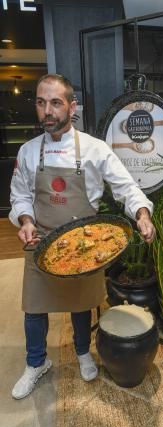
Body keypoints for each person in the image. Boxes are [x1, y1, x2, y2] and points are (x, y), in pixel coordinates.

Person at [9, 74, 155, 400]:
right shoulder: (29, 152)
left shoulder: (95, 149)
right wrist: (26, 220)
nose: (47, 111)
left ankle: (82, 352)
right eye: (41, 102)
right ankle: (36, 363)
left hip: (83, 245)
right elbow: (19, 196)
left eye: (56, 103)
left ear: (72, 106)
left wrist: (142, 213)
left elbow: (125, 187)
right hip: (42, 243)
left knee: (80, 304)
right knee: (33, 308)